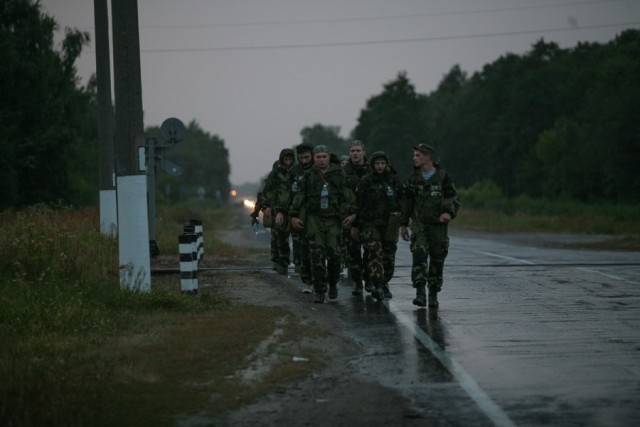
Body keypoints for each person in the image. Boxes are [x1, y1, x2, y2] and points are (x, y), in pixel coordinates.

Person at [290, 145, 356, 303]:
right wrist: (293, 215)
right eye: (318, 157)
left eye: (324, 157)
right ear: (314, 158)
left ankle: (332, 283)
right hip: (315, 219)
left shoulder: (339, 174)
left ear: (328, 157)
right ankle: (320, 290)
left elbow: (349, 196)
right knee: (316, 256)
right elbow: (299, 197)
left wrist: (353, 214)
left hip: (334, 220)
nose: (321, 160)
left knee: (334, 255)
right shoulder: (308, 176)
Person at [400, 143, 460, 308]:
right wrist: (403, 224)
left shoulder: (442, 177)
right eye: (414, 155)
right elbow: (407, 202)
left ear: (427, 157)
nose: (415, 158)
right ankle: (420, 293)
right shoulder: (413, 178)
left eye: (418, 155)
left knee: (437, 257)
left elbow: (452, 197)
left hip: (438, 225)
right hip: (419, 224)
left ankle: (433, 294)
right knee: (419, 253)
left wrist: (448, 212)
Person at [353, 151, 403, 300]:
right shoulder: (366, 181)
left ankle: (385, 281)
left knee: (389, 254)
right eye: (377, 163)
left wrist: (404, 220)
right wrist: (355, 225)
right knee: (375, 252)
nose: (380, 166)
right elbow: (358, 204)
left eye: (383, 163)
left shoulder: (393, 179)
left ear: (386, 164)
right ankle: (378, 285)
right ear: (372, 165)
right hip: (370, 224)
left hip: (390, 223)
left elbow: (402, 200)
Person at [342, 140, 372, 295]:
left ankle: (369, 279)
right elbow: (341, 197)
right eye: (352, 150)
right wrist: (351, 214)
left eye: (358, 150)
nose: (355, 153)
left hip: (368, 217)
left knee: (370, 251)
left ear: (364, 152)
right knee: (353, 253)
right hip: (349, 218)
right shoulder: (344, 172)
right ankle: (357, 283)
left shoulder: (372, 170)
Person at [262, 148, 295, 275]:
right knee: (280, 237)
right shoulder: (276, 173)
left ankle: (300, 263)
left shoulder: (296, 172)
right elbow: (267, 191)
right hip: (278, 209)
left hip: (294, 208)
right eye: (285, 159)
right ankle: (282, 262)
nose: (288, 162)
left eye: (290, 159)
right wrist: (267, 206)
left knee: (298, 238)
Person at [289, 142, 315, 292]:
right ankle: (307, 281)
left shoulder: (317, 170)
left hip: (316, 214)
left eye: (306, 157)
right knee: (302, 251)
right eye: (301, 158)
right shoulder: (294, 171)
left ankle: (321, 281)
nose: (304, 160)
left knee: (317, 249)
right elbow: (288, 193)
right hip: (298, 214)